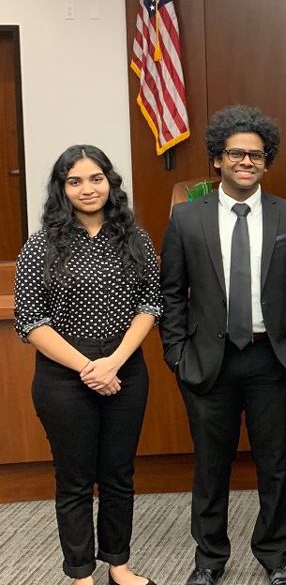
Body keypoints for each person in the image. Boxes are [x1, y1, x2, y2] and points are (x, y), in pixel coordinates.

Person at [159, 105, 286, 585]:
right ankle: (209, 557)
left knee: (275, 464)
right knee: (211, 467)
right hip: (209, 361)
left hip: (274, 358)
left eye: (256, 155)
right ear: (217, 159)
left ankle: (275, 554)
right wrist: (177, 354)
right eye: (236, 154)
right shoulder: (188, 218)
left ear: (266, 162)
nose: (246, 161)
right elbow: (171, 295)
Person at [14, 145, 160, 585]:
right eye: (74, 181)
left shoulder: (135, 238)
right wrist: (89, 368)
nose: (87, 188)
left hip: (125, 370)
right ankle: (81, 574)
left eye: (95, 178)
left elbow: (151, 304)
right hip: (64, 376)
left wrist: (114, 362)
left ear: (109, 182)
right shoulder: (41, 244)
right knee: (75, 479)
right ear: (62, 188)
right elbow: (31, 320)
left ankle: (119, 565)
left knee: (118, 475)